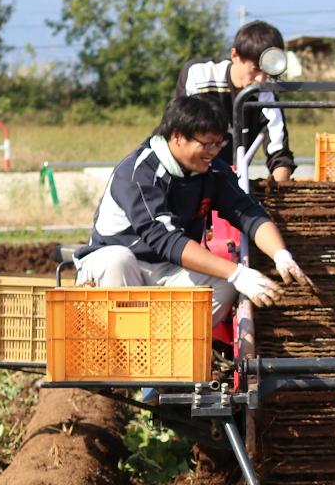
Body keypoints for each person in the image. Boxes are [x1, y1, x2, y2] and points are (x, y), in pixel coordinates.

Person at [74, 94, 312, 323]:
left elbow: (249, 213)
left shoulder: (212, 170)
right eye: (208, 144)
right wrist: (238, 272)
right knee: (118, 260)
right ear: (177, 136)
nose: (215, 151)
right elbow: (166, 240)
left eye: (220, 143)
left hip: (167, 268)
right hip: (113, 267)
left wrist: (281, 255)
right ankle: (122, 351)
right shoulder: (139, 173)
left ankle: (167, 349)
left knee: (224, 283)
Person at [176, 19, 295, 183]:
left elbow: (279, 154)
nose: (261, 79)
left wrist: (278, 191)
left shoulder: (266, 94)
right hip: (187, 176)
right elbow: (185, 139)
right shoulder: (200, 75)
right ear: (235, 56)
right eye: (255, 69)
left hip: (231, 183)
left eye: (267, 72)